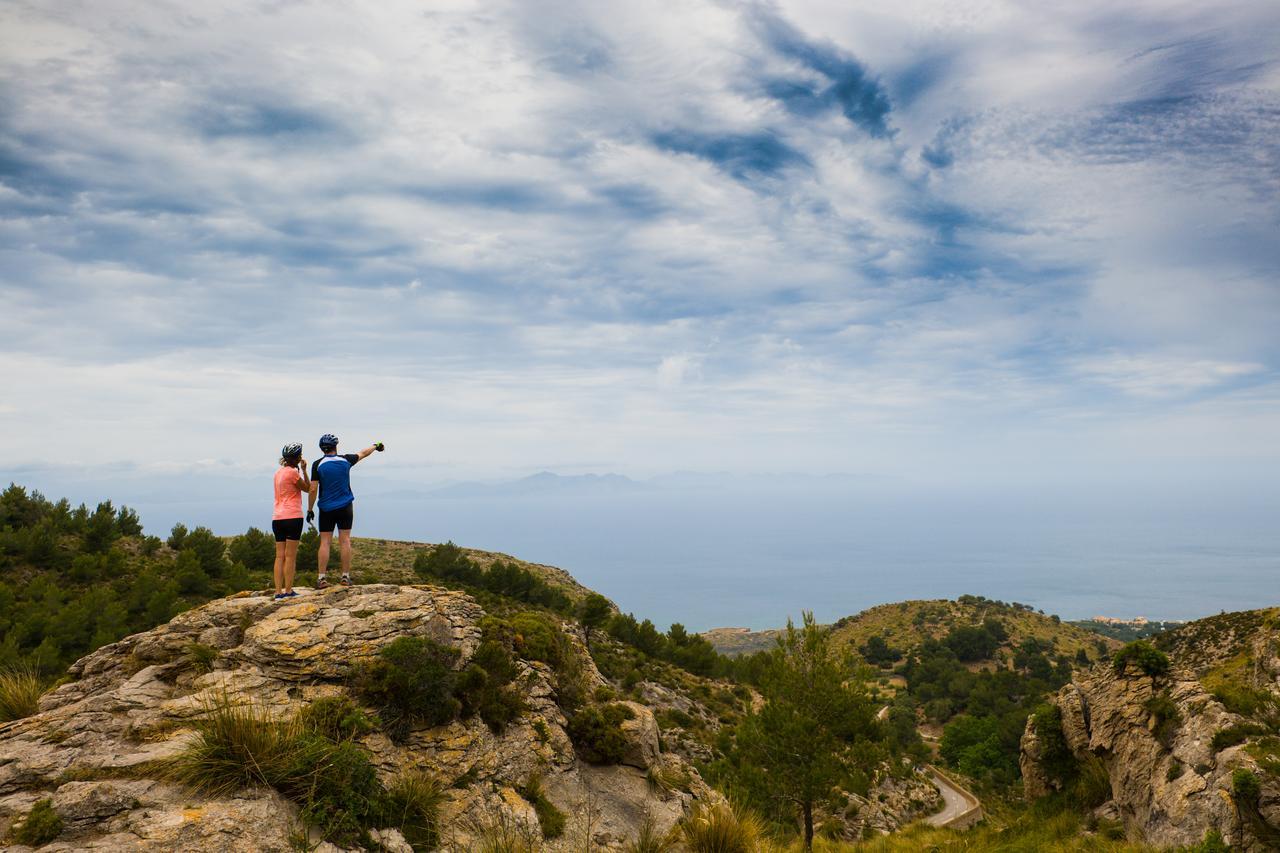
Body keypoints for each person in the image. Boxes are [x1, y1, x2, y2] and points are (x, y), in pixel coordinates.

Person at [307, 433, 384, 589]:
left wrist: (309, 509)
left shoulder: (317, 464)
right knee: (345, 540)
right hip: (345, 506)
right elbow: (363, 453)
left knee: (325, 542)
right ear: (336, 446)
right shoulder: (346, 460)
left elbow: (313, 488)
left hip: (326, 508)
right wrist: (376, 446)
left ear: (322, 448)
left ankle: (321, 578)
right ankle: (345, 577)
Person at [272, 443, 310, 599]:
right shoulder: (293, 473)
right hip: (293, 517)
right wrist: (305, 471)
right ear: (297, 458)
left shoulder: (277, 473)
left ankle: (277, 592)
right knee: (290, 556)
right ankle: (288, 591)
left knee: (279, 556)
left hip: (277, 518)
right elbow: (308, 488)